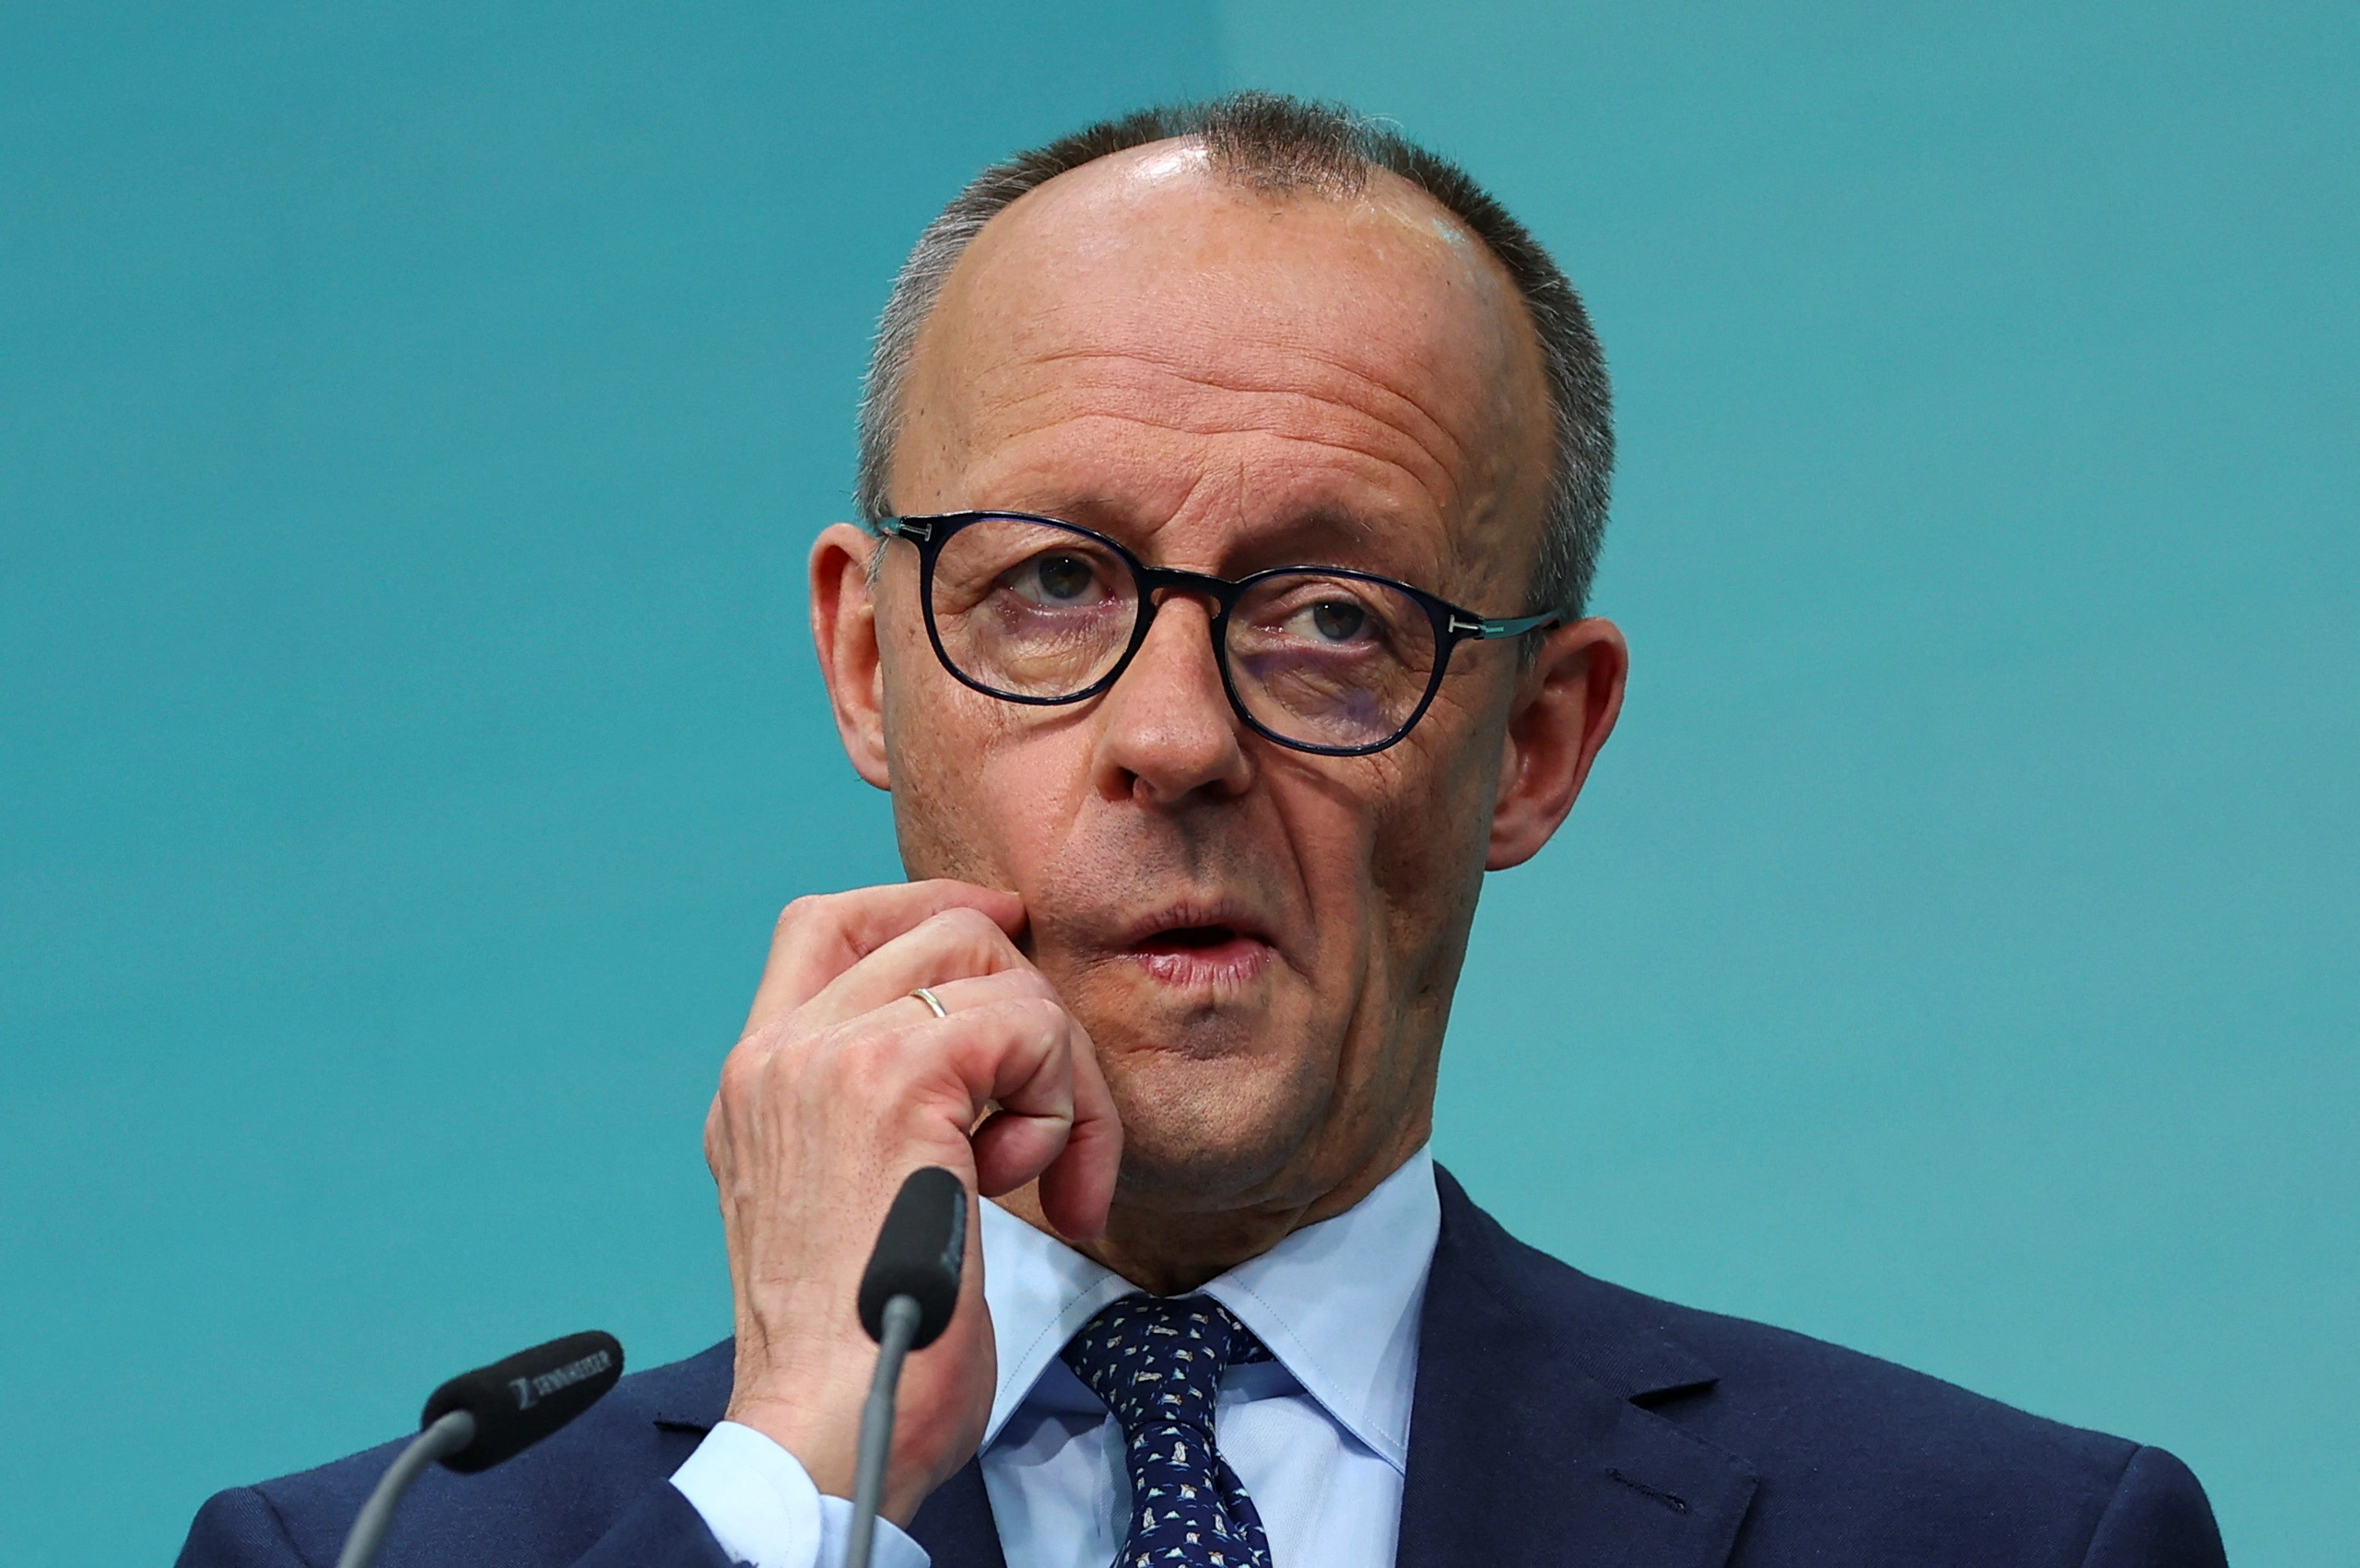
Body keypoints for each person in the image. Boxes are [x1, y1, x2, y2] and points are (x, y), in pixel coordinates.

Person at [176, 93, 2227, 1568]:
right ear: (869, 662)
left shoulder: (2006, 1536)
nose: (1172, 737)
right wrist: (802, 1475)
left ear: (1535, 743)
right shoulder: (365, 1545)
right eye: (1054, 583)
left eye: (1333, 619)